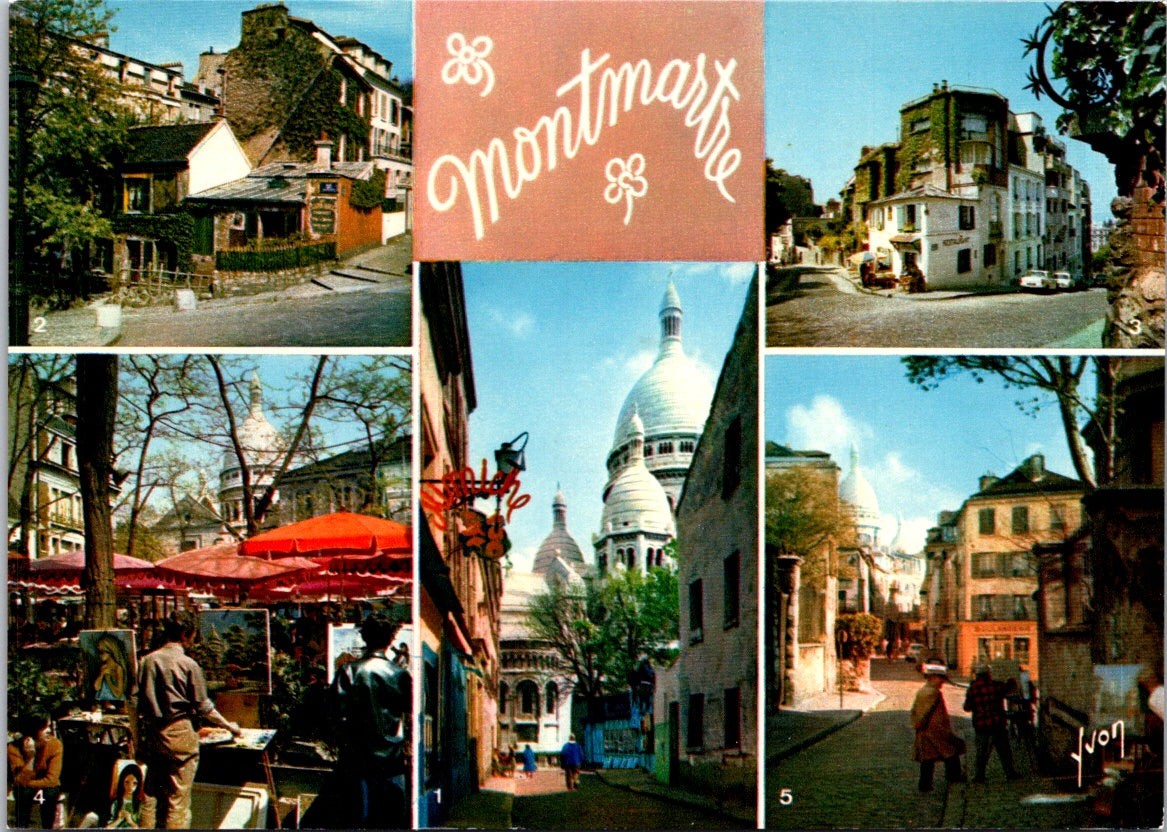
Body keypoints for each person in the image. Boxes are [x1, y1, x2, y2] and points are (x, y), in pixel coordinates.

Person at [136, 614, 242, 829]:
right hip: (180, 734)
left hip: (154, 733)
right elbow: (204, 707)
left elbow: (134, 702)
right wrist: (230, 727)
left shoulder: (147, 660)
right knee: (178, 799)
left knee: (151, 796)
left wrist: (138, 739)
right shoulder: (188, 664)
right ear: (186, 635)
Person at [329, 613, 411, 829]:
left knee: (356, 820)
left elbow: (335, 715)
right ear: (391, 640)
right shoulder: (400, 675)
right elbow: (408, 714)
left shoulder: (348, 671)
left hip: (358, 763)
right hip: (392, 764)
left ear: (365, 638)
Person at [911, 664, 965, 793]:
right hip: (934, 730)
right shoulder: (932, 692)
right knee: (950, 751)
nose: (943, 682)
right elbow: (926, 713)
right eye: (941, 678)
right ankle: (953, 776)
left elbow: (914, 711)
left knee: (928, 759)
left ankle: (925, 785)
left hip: (926, 730)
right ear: (933, 677)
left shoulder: (924, 691)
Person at [963, 664, 1019, 784]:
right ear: (989, 674)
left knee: (981, 752)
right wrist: (1012, 679)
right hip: (997, 723)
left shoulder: (973, 688)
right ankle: (1010, 773)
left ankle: (979, 777)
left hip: (981, 725)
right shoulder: (996, 686)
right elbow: (1010, 688)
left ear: (977, 675)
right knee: (1004, 750)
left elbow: (967, 707)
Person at [7, 711, 64, 828]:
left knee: (50, 793)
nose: (49, 730)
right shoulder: (14, 747)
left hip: (46, 785)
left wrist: (28, 783)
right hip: (27, 786)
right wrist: (30, 758)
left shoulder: (55, 744)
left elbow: (52, 780)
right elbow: (19, 779)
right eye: (44, 727)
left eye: (49, 726)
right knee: (23, 793)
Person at [94, 633, 130, 703]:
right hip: (102, 698)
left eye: (102, 652)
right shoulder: (103, 667)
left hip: (115, 700)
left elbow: (118, 695)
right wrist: (101, 675)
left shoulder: (118, 668)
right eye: (98, 652)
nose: (99, 655)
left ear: (110, 652)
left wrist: (108, 680)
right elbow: (96, 687)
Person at [108, 763, 145, 828]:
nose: (130, 787)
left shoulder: (140, 804)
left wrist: (130, 821)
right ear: (122, 781)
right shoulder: (116, 802)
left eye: (134, 783)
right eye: (127, 782)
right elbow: (108, 828)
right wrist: (119, 820)